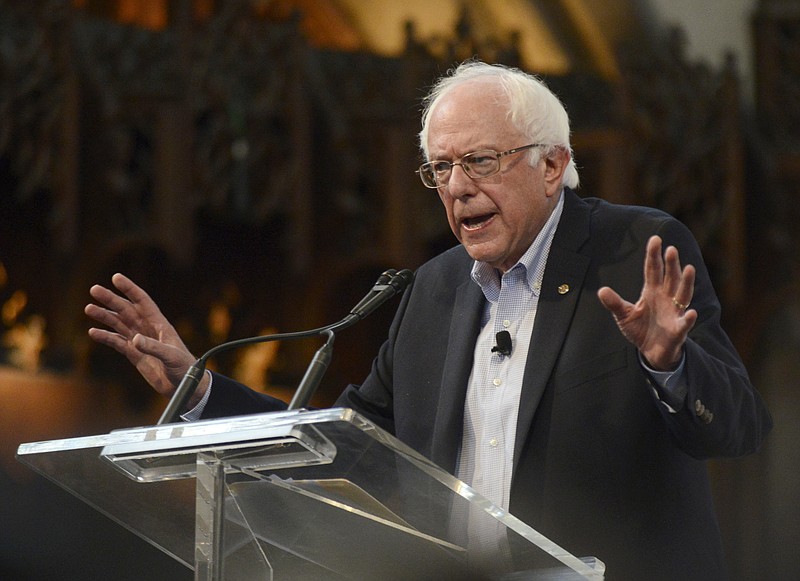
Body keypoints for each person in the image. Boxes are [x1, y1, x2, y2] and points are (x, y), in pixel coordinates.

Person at [86, 61, 772, 580]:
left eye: (479, 160)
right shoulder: (433, 290)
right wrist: (200, 388)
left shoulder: (636, 252)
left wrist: (669, 364)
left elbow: (739, 426)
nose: (457, 187)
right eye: (440, 168)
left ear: (552, 164)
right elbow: (349, 450)